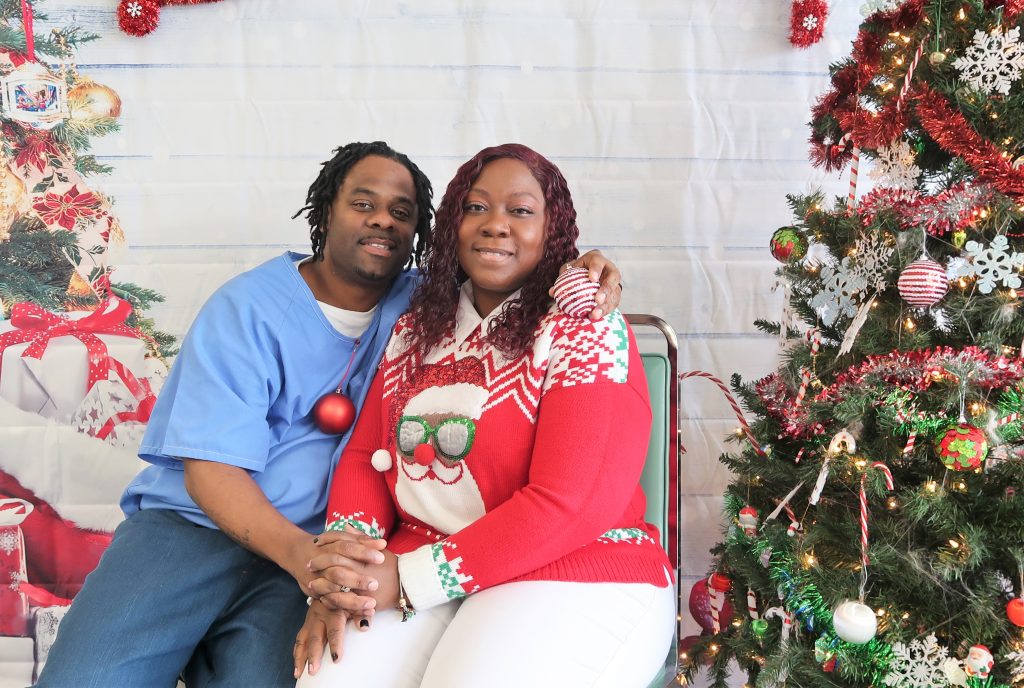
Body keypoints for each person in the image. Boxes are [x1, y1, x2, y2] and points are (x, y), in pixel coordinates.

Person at [36, 141, 622, 688]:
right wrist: (309, 564)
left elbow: (510, 259)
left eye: (402, 211)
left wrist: (583, 264)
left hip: (320, 552)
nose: (382, 221)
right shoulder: (248, 309)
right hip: (200, 534)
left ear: (423, 232)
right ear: (326, 211)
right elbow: (209, 472)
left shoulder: (427, 307)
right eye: (362, 203)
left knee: (301, 674)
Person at [293, 144, 674, 688]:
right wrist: (345, 576)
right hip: (421, 554)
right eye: (476, 208)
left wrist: (407, 579)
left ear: (553, 231)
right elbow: (363, 457)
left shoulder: (582, 326)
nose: (496, 225)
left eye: (520, 211)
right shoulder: (417, 328)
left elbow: (571, 504)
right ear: (452, 225)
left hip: (569, 566)